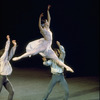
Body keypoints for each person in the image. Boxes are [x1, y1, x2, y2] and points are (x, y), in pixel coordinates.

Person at [12, 5, 74, 73]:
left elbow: (49, 18)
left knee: (56, 59)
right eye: (46, 21)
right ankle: (19, 57)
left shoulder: (48, 28)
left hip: (48, 47)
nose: (48, 21)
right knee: (32, 52)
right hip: (43, 45)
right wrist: (39, 18)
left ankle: (67, 67)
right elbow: (39, 26)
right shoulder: (43, 30)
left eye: (47, 21)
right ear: (44, 24)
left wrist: (48, 10)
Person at [0, 35, 17, 100]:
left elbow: (11, 53)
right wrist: (8, 40)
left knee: (12, 92)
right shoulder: (2, 59)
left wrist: (14, 45)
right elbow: (7, 50)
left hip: (5, 78)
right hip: (0, 78)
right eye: (5, 53)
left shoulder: (6, 60)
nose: (6, 53)